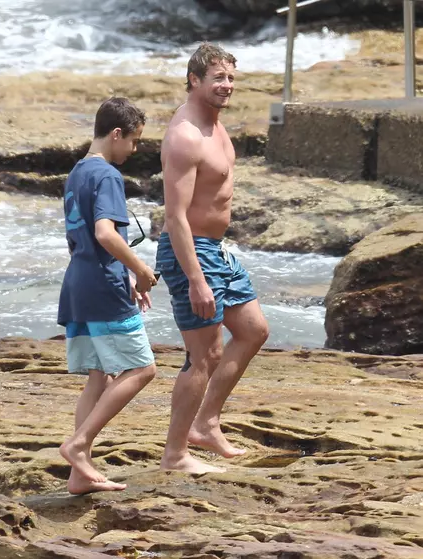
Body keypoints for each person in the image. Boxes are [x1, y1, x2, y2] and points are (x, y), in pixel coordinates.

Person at [154, 43, 270, 474]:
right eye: (217, 78)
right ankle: (175, 454)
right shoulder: (185, 136)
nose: (227, 86)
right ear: (194, 80)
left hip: (218, 249)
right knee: (202, 355)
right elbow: (175, 217)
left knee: (254, 330)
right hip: (192, 252)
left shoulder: (216, 127)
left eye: (231, 78)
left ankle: (207, 423)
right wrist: (196, 279)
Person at [57, 97, 158, 494]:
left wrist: (125, 273)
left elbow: (85, 239)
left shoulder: (77, 172)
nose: (133, 150)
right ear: (116, 134)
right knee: (143, 369)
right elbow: (105, 232)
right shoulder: (109, 176)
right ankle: (78, 446)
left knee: (99, 376)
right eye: (133, 141)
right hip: (102, 286)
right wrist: (141, 270)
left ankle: (78, 476)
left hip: (79, 282)